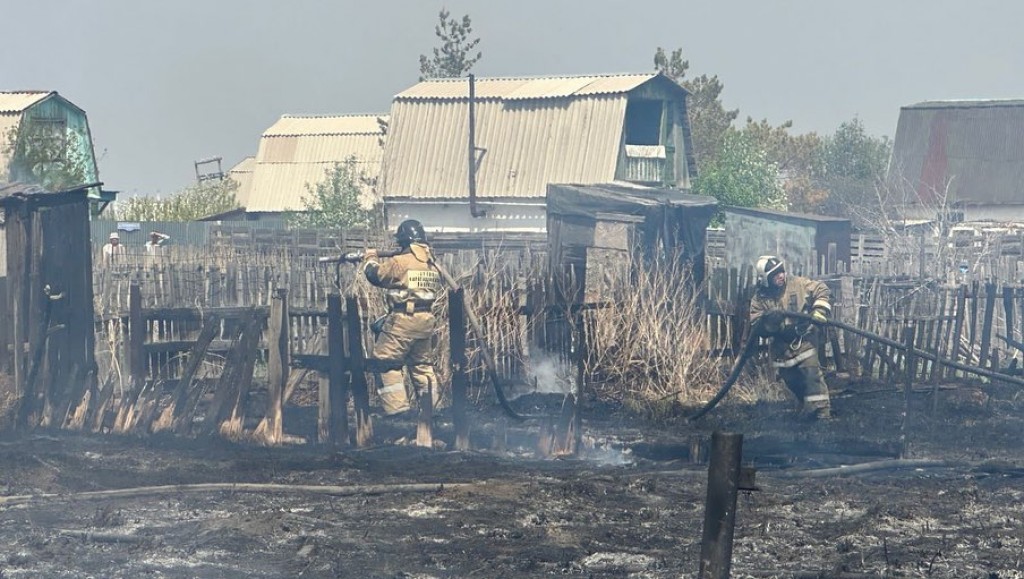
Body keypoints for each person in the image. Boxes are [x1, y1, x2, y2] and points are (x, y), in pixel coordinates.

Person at [361, 219, 443, 417]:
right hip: (425, 321)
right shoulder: (432, 265)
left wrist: (370, 259)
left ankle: (398, 413)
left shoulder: (401, 262)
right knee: (422, 367)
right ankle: (432, 413)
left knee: (384, 363)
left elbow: (375, 276)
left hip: (403, 321)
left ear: (403, 240)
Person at [748, 255, 833, 420]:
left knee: (811, 376)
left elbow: (821, 289)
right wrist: (771, 323)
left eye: (781, 271)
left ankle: (823, 415)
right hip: (781, 348)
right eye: (775, 274)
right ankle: (807, 407)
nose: (781, 276)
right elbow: (757, 325)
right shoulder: (759, 299)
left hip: (804, 339)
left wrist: (819, 310)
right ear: (766, 280)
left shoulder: (798, 284)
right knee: (791, 380)